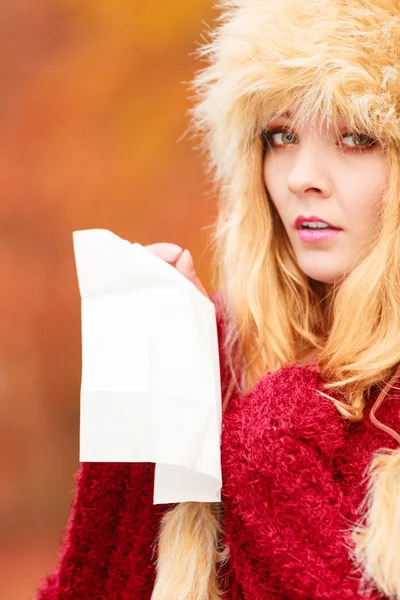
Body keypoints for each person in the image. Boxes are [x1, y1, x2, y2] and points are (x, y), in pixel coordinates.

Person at [36, 0, 400, 598]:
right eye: (281, 136)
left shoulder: (272, 415)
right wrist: (138, 434)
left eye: (356, 137)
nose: (299, 176)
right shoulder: (222, 357)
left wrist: (269, 454)